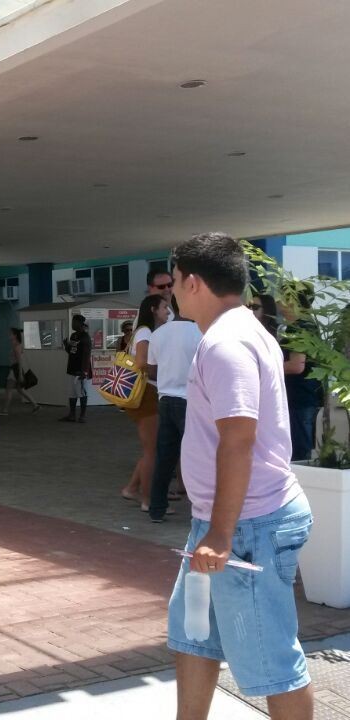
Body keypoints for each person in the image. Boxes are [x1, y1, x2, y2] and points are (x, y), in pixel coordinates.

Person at [168, 232, 313, 719]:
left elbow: (238, 440)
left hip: (248, 528)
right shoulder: (240, 331)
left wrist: (222, 535)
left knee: (273, 662)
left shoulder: (227, 343)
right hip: (224, 524)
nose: (170, 291)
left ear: (191, 282)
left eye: (173, 281)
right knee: (195, 636)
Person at [146, 312, 202, 522]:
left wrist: (167, 375)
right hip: (190, 401)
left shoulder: (158, 333)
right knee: (197, 458)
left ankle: (157, 509)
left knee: (164, 459)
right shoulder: (200, 332)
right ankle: (201, 511)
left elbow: (151, 370)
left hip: (165, 399)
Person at [119, 295, 169, 509]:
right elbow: (141, 362)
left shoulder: (145, 332)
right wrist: (166, 372)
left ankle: (131, 489)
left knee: (152, 448)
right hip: (147, 393)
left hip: (146, 394)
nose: (168, 311)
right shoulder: (145, 332)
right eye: (164, 307)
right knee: (152, 451)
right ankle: (149, 500)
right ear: (153, 310)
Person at [279, 284, 324, 462]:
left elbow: (297, 365)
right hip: (303, 397)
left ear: (292, 301)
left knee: (300, 453)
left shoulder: (300, 326)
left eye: (282, 297)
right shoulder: (305, 324)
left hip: (301, 398)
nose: (278, 302)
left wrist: (268, 366)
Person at [60, 314, 92, 423]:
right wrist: (66, 346)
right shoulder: (73, 336)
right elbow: (71, 351)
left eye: (74, 322)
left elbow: (86, 355)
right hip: (71, 368)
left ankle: (82, 415)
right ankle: (72, 415)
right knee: (72, 393)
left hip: (80, 371)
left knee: (82, 393)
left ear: (80, 324)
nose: (72, 324)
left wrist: (84, 371)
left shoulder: (85, 338)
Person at [1, 327, 39, 415]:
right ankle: (35, 405)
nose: (9, 335)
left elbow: (19, 361)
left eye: (10, 334)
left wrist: (20, 375)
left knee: (9, 389)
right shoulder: (16, 345)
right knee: (20, 389)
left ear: (15, 335)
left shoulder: (17, 346)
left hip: (14, 370)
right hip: (15, 369)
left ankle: (5, 410)